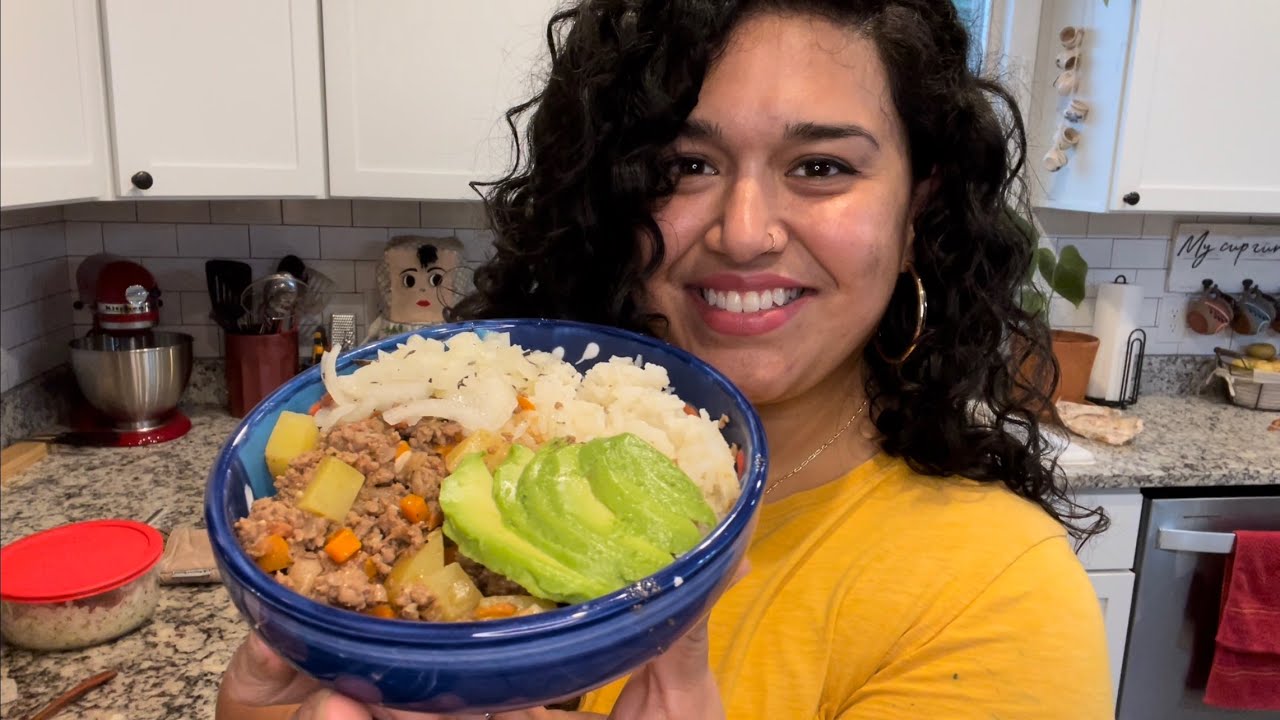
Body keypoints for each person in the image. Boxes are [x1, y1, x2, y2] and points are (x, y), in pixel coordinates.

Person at [217, 1, 1114, 718]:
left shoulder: (999, 592)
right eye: (686, 165)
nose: (745, 232)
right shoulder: (479, 458)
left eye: (821, 167)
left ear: (917, 211)